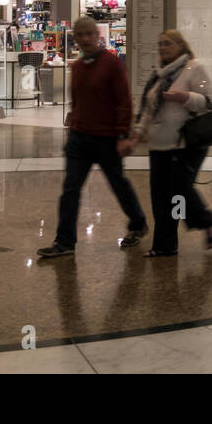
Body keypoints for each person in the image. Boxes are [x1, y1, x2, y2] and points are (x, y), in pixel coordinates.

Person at [37, 16, 147, 259]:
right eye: (80, 35)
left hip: (106, 138)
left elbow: (124, 102)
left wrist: (123, 135)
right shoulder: (76, 67)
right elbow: (77, 102)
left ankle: (138, 222)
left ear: (97, 35)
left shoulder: (112, 63)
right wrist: (72, 127)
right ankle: (64, 241)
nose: (85, 39)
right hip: (80, 138)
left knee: (118, 183)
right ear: (75, 38)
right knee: (70, 190)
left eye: (89, 34)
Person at [127, 30, 212, 257]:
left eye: (167, 43)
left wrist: (184, 97)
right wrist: (137, 133)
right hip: (159, 145)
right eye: (159, 44)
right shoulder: (159, 75)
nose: (162, 47)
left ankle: (207, 222)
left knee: (179, 191)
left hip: (185, 144)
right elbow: (148, 110)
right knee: (161, 198)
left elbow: (209, 103)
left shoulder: (194, 68)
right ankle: (165, 245)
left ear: (180, 45)